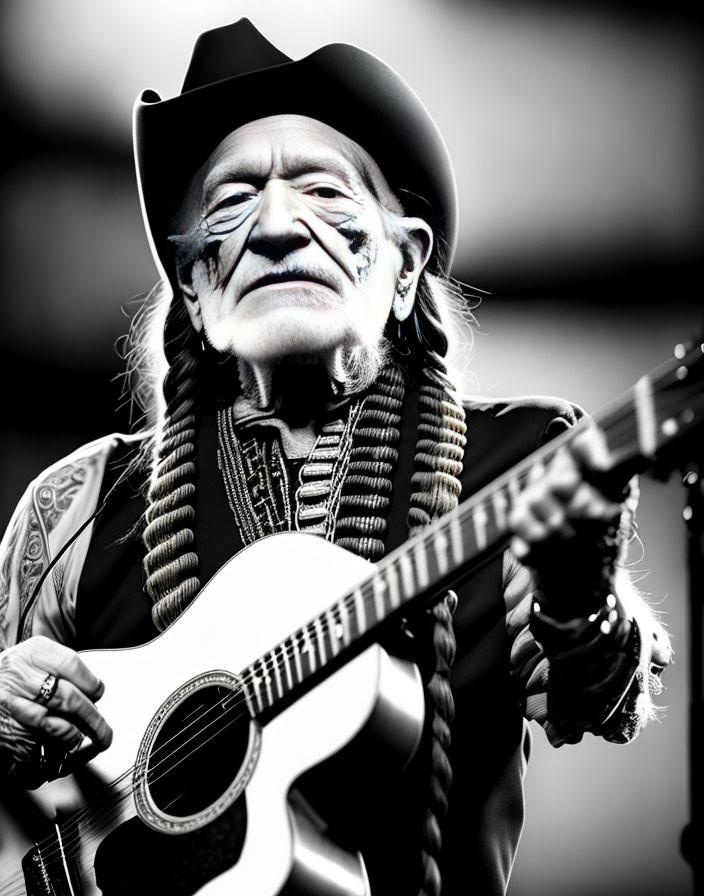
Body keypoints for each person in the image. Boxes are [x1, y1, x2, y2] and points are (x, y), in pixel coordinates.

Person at [0, 18, 671, 896]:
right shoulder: (79, 508)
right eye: (232, 201)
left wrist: (583, 596)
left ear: (404, 268)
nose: (277, 226)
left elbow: (598, 704)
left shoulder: (522, 460)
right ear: (196, 289)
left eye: (323, 191)